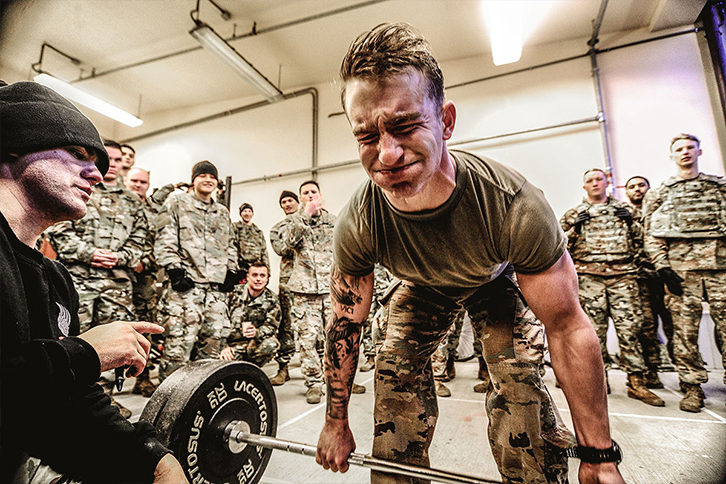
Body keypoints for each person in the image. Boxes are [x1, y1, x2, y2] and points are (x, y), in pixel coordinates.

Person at [316, 23, 624, 484]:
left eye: (405, 125)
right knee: (394, 367)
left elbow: (566, 327)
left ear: (446, 120)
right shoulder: (360, 221)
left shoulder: (513, 205)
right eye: (367, 137)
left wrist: (600, 456)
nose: (388, 154)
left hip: (491, 280)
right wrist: (335, 423)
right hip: (420, 285)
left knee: (517, 371)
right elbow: (345, 326)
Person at [0, 80, 187, 484]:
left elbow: (61, 402)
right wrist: (84, 353)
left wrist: (148, 459)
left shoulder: (55, 278)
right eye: (77, 153)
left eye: (100, 162)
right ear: (14, 145)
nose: (97, 174)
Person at [48, 138, 149, 417]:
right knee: (72, 338)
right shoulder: (80, 186)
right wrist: (88, 253)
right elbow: (58, 230)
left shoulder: (133, 202)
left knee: (114, 342)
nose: (114, 165)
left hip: (116, 284)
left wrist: (121, 257)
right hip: (77, 279)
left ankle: (102, 401)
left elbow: (142, 241)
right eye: (109, 159)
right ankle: (68, 397)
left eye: (119, 160)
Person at [560, 168, 663, 406]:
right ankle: (599, 381)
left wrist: (631, 223)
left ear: (607, 183)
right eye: (590, 181)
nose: (595, 183)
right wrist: (575, 228)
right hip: (589, 279)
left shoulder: (624, 210)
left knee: (630, 330)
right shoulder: (574, 213)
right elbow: (559, 246)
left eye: (599, 179)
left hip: (623, 278)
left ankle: (636, 382)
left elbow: (645, 241)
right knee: (592, 335)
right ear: (584, 186)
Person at [643, 133, 726, 412]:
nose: (685, 152)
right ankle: (691, 387)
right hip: (680, 274)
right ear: (672, 155)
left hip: (720, 269)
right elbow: (650, 235)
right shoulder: (659, 193)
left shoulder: (720, 187)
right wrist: (662, 266)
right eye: (679, 149)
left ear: (699, 152)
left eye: (690, 148)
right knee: (684, 332)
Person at [154, 160, 238, 381]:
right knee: (178, 348)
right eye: (203, 176)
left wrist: (231, 270)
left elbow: (230, 243)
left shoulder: (221, 211)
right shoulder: (177, 201)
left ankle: (200, 395)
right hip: (187, 288)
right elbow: (166, 235)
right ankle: (169, 400)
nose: (208, 180)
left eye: (212, 177)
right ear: (193, 180)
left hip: (216, 291)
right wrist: (174, 268)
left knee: (212, 346)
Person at [625, 175, 674, 384]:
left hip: (669, 277)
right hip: (640, 278)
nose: (637, 189)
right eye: (632, 187)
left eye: (641, 185)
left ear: (649, 188)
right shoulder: (622, 215)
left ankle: (684, 373)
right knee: (645, 326)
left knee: (675, 326)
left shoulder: (662, 212)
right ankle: (651, 371)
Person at [124, 167, 162, 396]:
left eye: (143, 182)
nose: (138, 185)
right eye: (134, 181)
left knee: (144, 331)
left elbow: (163, 246)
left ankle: (143, 377)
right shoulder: (116, 204)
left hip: (143, 281)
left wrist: (144, 263)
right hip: (113, 280)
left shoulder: (154, 212)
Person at [221, 261, 281, 367]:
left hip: (252, 344)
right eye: (255, 275)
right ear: (248, 277)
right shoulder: (233, 294)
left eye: (262, 276)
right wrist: (223, 346)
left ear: (267, 279)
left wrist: (257, 332)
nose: (258, 279)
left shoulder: (272, 299)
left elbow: (272, 326)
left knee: (271, 344)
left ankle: (252, 370)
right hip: (231, 345)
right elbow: (220, 321)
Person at [268, 190, 300, 385]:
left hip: (315, 283)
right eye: (284, 202)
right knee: (286, 325)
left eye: (290, 200)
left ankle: (323, 369)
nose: (287, 204)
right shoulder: (277, 228)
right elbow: (283, 249)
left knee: (319, 326)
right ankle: (283, 368)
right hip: (289, 281)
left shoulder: (312, 222)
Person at [234, 202, 269, 276]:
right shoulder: (235, 228)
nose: (247, 214)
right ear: (240, 213)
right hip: (240, 267)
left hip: (256, 268)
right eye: (245, 211)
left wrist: (267, 271)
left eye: (249, 211)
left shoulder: (258, 231)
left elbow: (264, 251)